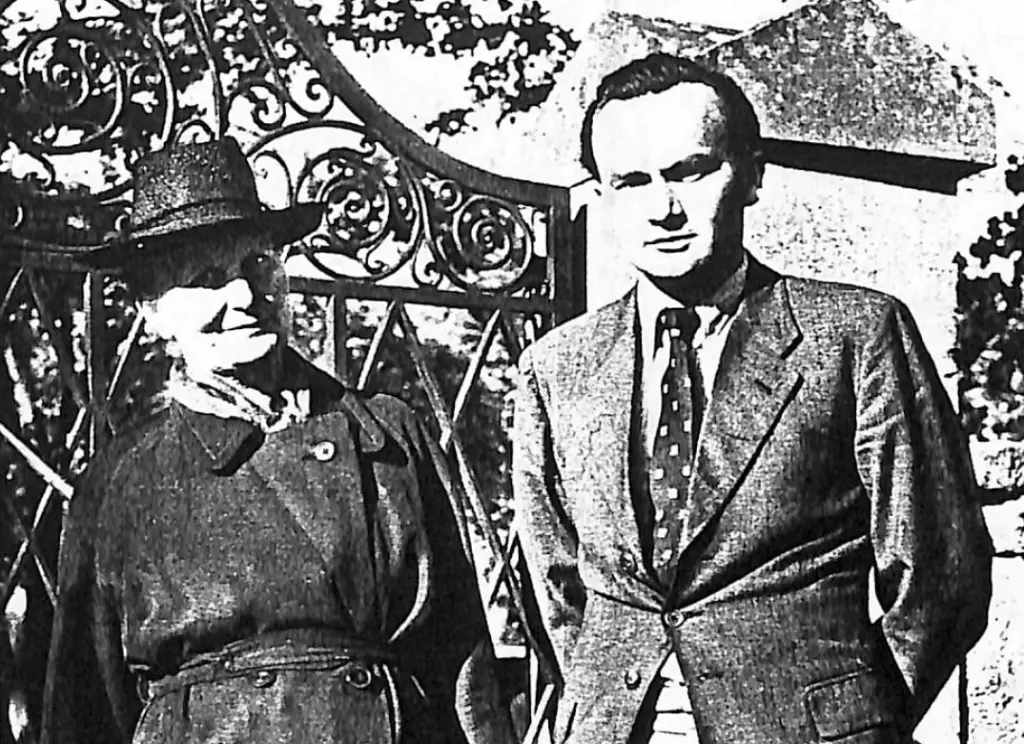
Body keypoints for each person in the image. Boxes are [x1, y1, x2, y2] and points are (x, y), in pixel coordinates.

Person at [512, 53, 994, 744]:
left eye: (690, 171)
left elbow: (942, 576)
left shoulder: (854, 335)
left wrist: (857, 719)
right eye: (631, 182)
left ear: (752, 175)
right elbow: (559, 591)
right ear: (603, 196)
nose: (663, 208)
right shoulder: (556, 367)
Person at [41, 137, 514, 744]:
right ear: (154, 311)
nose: (242, 296)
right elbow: (84, 714)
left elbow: (464, 671)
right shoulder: (123, 483)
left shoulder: (388, 436)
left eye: (256, 265)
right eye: (208, 278)